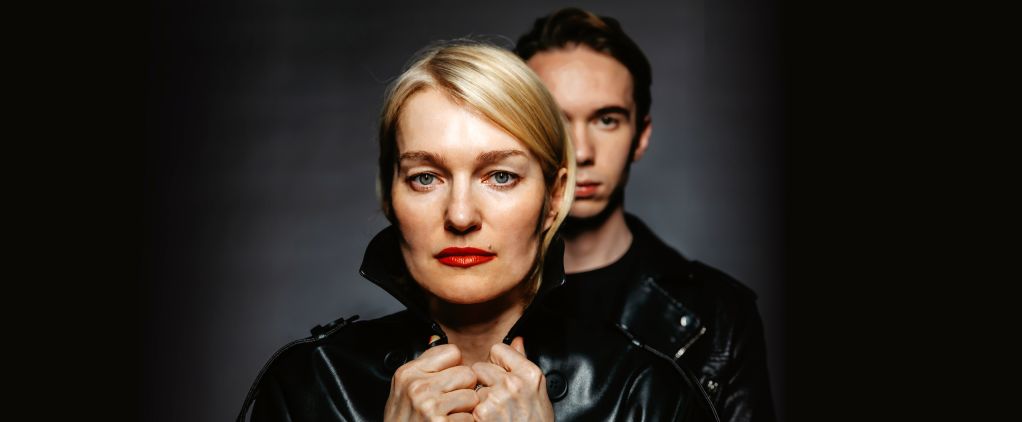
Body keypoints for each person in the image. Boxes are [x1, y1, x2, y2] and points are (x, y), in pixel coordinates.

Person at [238, 41, 716, 421]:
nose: (461, 215)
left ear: (554, 197)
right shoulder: (312, 384)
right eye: (426, 178)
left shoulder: (644, 392)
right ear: (390, 196)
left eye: (500, 176)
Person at [515, 8, 777, 422]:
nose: (581, 151)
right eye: (555, 121)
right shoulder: (472, 301)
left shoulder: (720, 314)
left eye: (607, 120)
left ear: (641, 134)